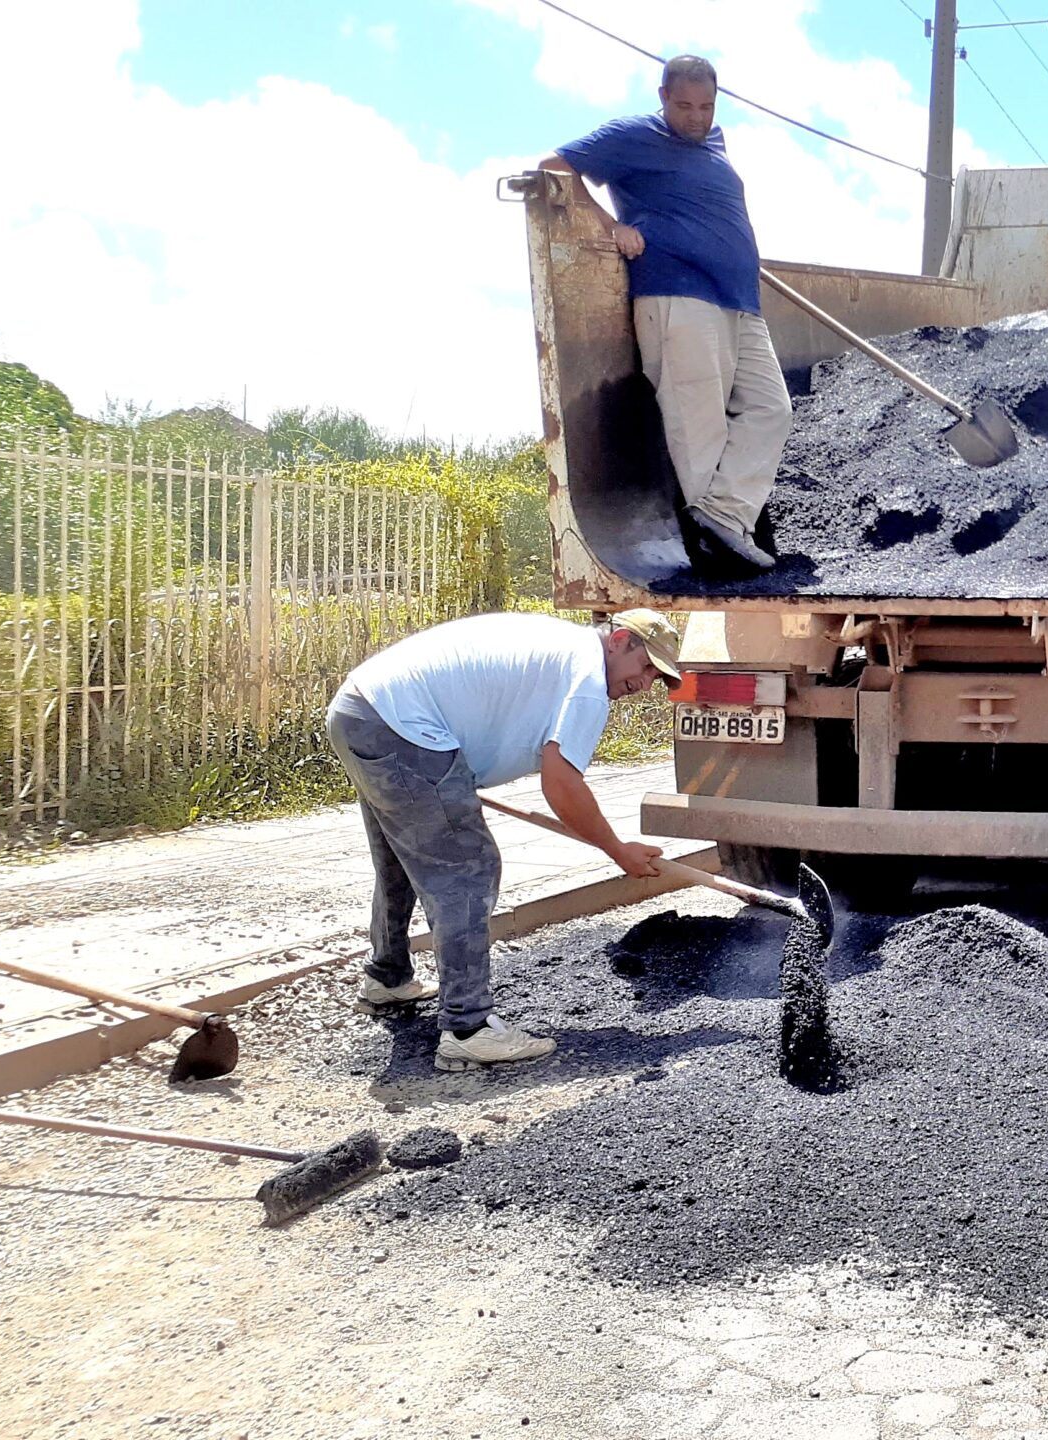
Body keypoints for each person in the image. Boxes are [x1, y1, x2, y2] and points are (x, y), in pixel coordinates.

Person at [325, 611, 679, 1072]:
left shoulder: (567, 650)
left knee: (403, 859)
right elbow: (562, 785)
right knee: (468, 868)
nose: (646, 683)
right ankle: (468, 1029)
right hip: (403, 726)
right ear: (621, 640)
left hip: (361, 710)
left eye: (658, 676)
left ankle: (387, 978)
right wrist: (618, 850)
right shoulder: (588, 679)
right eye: (648, 666)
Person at [544, 56, 789, 577]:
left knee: (773, 409)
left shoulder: (716, 141)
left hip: (739, 300)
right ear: (662, 96)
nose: (696, 117)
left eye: (706, 106)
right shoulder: (633, 135)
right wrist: (611, 225)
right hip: (677, 295)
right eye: (684, 106)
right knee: (698, 428)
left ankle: (724, 520)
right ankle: (718, 551)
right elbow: (554, 167)